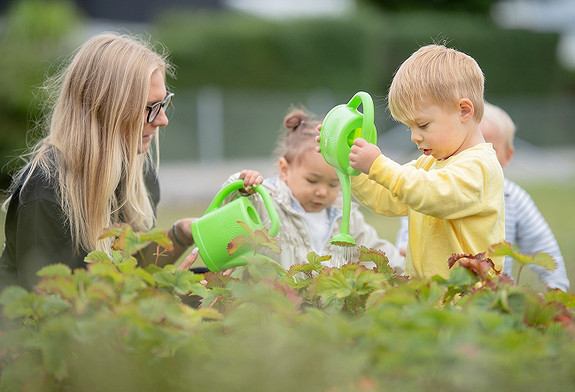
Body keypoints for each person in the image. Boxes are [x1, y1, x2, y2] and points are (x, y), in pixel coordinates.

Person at [0, 32, 198, 291]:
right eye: (149, 107)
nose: (162, 120)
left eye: (163, 103)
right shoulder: (46, 192)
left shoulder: (139, 174)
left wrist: (180, 235)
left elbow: (134, 270)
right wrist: (158, 295)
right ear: (105, 109)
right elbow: (53, 319)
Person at [340, 44, 505, 280]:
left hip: (464, 302)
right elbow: (388, 197)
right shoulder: (429, 165)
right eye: (409, 127)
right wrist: (355, 167)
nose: (414, 136)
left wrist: (377, 164)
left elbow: (431, 194)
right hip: (428, 298)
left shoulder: (479, 166)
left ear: (464, 111)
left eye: (423, 125)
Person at [396, 102, 570, 290]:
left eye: (489, 149)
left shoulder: (514, 197)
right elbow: (413, 220)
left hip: (490, 294)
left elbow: (541, 243)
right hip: (439, 287)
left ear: (507, 156)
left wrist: (556, 286)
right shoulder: (436, 186)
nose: (477, 156)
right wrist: (407, 245)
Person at [225, 107, 405, 273]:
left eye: (333, 184)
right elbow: (229, 210)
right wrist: (243, 188)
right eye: (312, 181)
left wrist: (406, 268)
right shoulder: (267, 201)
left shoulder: (345, 215)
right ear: (285, 170)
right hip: (274, 302)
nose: (322, 192)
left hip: (321, 304)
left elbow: (375, 250)